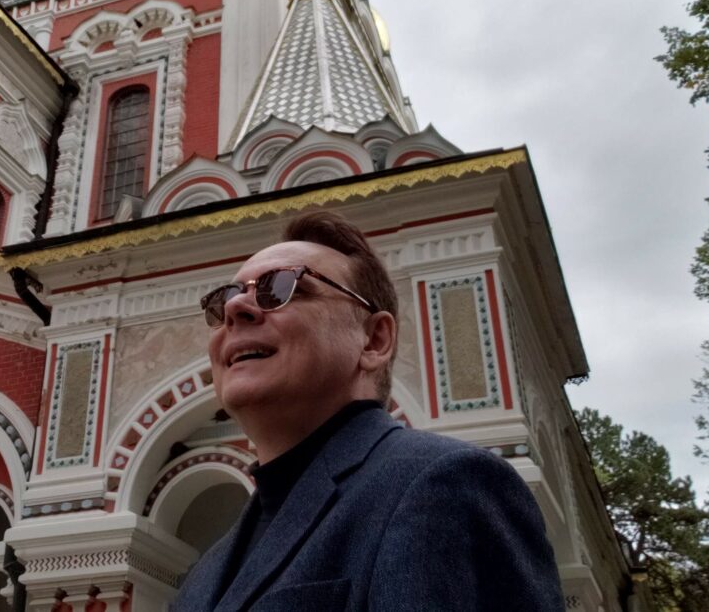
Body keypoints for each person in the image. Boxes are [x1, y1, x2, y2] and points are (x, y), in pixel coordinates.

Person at [171, 211, 564, 611]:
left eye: (283, 287)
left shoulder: (442, 484)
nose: (237, 308)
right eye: (225, 298)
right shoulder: (205, 574)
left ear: (374, 340)